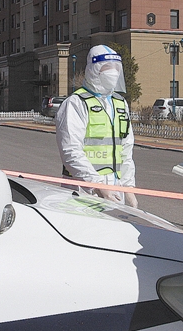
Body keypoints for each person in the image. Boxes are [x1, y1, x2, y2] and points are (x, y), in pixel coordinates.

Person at [55, 45, 138, 208]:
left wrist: (129, 189)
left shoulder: (119, 104)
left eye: (116, 68)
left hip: (114, 190)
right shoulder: (76, 103)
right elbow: (70, 151)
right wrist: (98, 186)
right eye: (107, 67)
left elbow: (126, 150)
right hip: (83, 190)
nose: (112, 72)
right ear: (93, 70)